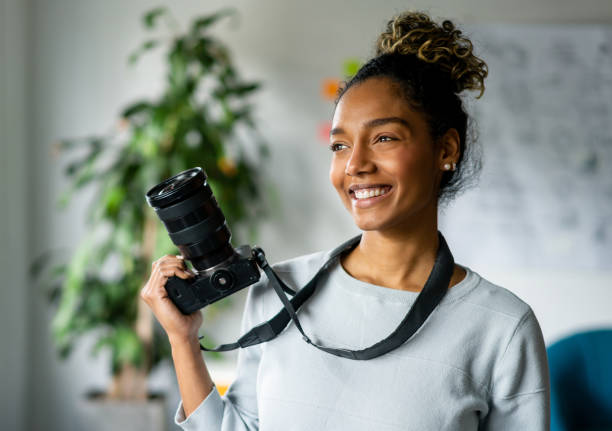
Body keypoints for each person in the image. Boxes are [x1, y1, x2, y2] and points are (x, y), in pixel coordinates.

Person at [141, 10, 550, 431]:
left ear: (445, 149)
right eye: (339, 145)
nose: (355, 164)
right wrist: (183, 339)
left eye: (384, 138)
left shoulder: (501, 327)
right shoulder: (280, 291)